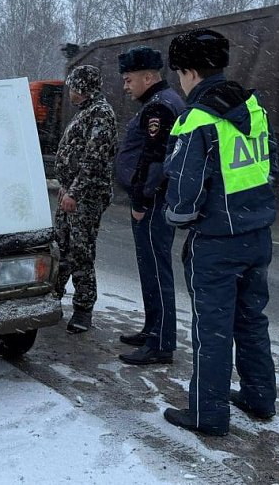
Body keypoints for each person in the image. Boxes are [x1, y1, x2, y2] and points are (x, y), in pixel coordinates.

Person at [160, 29, 278, 436]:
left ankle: (207, 414)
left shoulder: (197, 119)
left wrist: (178, 217)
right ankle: (260, 398)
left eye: (180, 72)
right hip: (258, 236)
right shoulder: (255, 108)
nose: (179, 80)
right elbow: (271, 167)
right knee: (251, 321)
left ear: (190, 72)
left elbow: (185, 193)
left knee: (212, 329)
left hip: (216, 243)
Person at [113, 46, 185, 365]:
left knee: (157, 270)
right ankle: (152, 328)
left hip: (153, 202)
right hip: (150, 199)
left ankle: (161, 343)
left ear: (148, 76)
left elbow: (156, 159)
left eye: (129, 80)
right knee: (149, 268)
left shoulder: (161, 107)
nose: (125, 86)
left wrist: (141, 199)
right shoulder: (157, 103)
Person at [52, 65, 118, 333]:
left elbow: (95, 159)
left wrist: (75, 192)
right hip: (72, 193)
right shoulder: (86, 112)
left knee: (80, 251)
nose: (70, 92)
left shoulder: (101, 113)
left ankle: (82, 309)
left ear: (82, 88)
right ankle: (52, 298)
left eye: (73, 87)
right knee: (60, 248)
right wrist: (65, 186)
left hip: (85, 198)